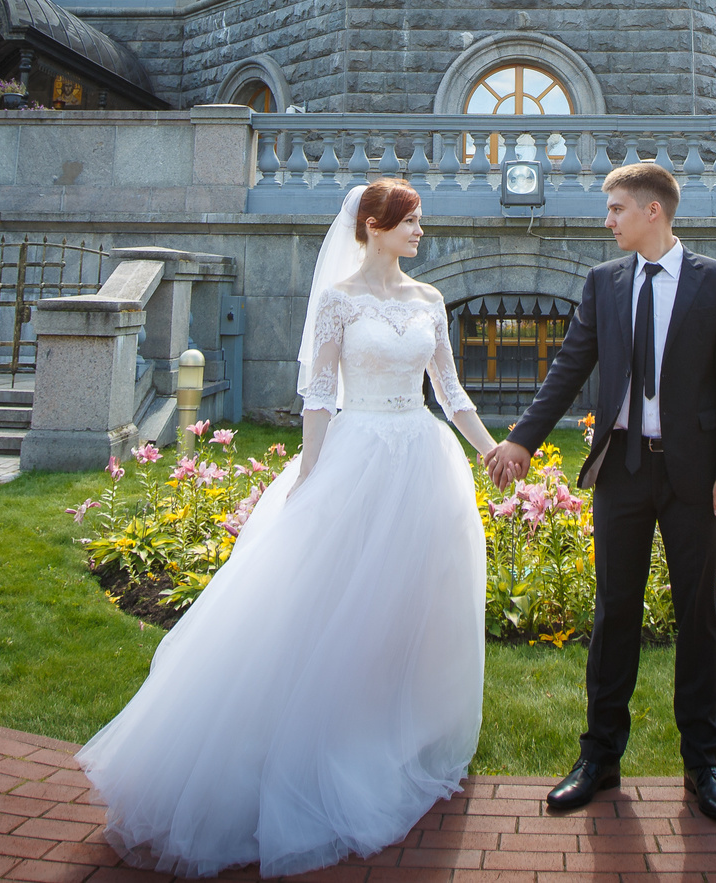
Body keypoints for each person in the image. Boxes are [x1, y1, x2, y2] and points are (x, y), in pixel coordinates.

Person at [78, 179, 499, 876]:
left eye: (421, 220)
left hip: (423, 461)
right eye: (411, 220)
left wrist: (490, 452)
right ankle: (325, 738)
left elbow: (450, 390)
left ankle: (397, 727)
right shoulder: (336, 300)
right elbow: (319, 394)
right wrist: (310, 479)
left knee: (410, 605)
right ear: (373, 223)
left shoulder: (430, 300)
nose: (421, 230)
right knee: (334, 603)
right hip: (356, 452)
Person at [485, 162, 716, 824]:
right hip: (622, 470)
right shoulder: (604, 283)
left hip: (694, 476)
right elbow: (570, 364)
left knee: (697, 614)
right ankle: (599, 755)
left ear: (652, 210)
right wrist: (522, 439)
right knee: (613, 615)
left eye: (615, 208)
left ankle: (704, 764)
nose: (607, 219)